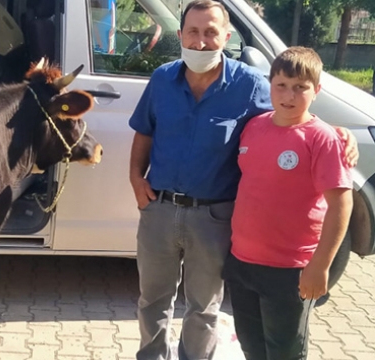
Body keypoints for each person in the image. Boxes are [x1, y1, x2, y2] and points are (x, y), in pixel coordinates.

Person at [127, 1, 358, 360]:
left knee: (204, 305)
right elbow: (144, 131)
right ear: (180, 35)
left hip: (214, 216)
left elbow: (294, 112)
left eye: (210, 32)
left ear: (226, 36)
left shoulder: (249, 84)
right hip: (158, 207)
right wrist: (134, 178)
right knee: (152, 300)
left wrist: (339, 133)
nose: (201, 42)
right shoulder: (162, 79)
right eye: (193, 32)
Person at [221, 46, 353, 360]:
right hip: (242, 263)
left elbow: (341, 205)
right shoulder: (254, 127)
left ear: (317, 91)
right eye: (281, 85)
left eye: (300, 88)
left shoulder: (322, 139)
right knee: (252, 347)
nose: (289, 95)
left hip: (290, 271)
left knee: (285, 351)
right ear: (270, 85)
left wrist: (320, 266)